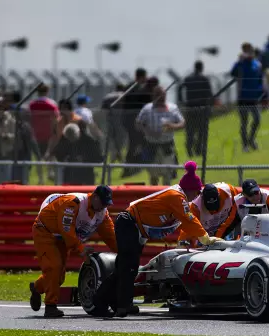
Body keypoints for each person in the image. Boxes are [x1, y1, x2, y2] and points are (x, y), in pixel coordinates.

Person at [108, 161, 220, 317]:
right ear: (190, 189)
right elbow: (189, 219)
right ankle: (120, 306)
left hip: (137, 230)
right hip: (129, 224)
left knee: (127, 268)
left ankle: (105, 301)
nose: (198, 195)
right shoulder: (177, 196)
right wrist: (204, 238)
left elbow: (185, 223)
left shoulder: (179, 197)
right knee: (128, 267)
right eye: (197, 191)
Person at [30, 186, 118, 318]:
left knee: (59, 277)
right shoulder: (73, 203)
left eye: (107, 204)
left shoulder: (102, 214)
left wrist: (123, 250)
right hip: (45, 232)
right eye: (103, 203)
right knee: (54, 267)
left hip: (62, 238)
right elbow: (66, 228)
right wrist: (81, 248)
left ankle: (36, 288)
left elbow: (110, 236)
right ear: (95, 197)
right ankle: (50, 307)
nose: (104, 207)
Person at [136, 85, 185, 186]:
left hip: (167, 145)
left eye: (163, 94)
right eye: (158, 95)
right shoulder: (147, 109)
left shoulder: (172, 108)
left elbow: (182, 123)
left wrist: (172, 126)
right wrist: (148, 131)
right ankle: (154, 195)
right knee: (153, 173)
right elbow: (138, 123)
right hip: (151, 145)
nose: (161, 97)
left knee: (168, 172)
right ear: (154, 96)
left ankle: (166, 195)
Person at [231, 42, 264, 151]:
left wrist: (261, 92)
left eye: (249, 50)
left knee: (257, 119)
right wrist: (239, 62)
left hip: (254, 97)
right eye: (245, 50)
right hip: (243, 97)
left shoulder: (257, 64)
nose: (247, 52)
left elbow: (260, 79)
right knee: (244, 122)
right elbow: (233, 73)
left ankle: (251, 139)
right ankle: (245, 145)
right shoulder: (240, 64)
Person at [178, 60, 213, 158]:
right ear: (202, 68)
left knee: (190, 130)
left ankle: (189, 148)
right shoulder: (204, 79)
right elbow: (209, 93)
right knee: (202, 130)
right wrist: (209, 104)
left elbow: (180, 88)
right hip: (202, 107)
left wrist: (181, 100)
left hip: (190, 107)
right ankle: (198, 148)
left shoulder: (188, 78)